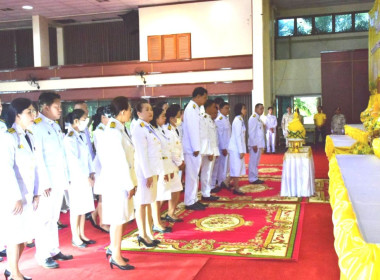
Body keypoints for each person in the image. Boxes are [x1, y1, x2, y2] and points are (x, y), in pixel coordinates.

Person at [32, 92, 73, 269]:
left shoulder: (55, 126)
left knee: (54, 217)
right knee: (44, 219)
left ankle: (53, 249)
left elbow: (61, 155)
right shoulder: (37, 126)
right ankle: (42, 255)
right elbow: (38, 157)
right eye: (57, 106)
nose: (60, 110)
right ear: (46, 107)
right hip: (47, 183)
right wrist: (44, 183)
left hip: (58, 179)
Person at [0, 98, 39, 280]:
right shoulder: (8, 136)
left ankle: (11, 269)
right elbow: (5, 169)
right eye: (29, 112)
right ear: (17, 115)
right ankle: (15, 274)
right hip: (13, 196)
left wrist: (37, 191)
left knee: (24, 236)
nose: (33, 115)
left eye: (33, 111)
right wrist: (15, 196)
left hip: (27, 194)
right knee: (15, 236)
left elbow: (34, 166)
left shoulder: (27, 135)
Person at [98, 96, 136, 270]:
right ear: (122, 111)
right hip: (117, 183)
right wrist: (129, 184)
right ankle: (115, 256)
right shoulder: (113, 130)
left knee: (122, 218)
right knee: (118, 220)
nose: (130, 113)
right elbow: (119, 161)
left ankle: (115, 250)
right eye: (129, 110)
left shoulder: (119, 128)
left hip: (120, 181)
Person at [131, 99, 162, 248]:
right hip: (144, 172)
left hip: (151, 170)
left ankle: (149, 233)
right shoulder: (138, 128)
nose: (150, 112)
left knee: (148, 202)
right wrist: (148, 174)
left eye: (151, 109)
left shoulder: (147, 126)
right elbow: (142, 154)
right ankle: (142, 234)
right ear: (138, 113)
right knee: (142, 204)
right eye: (146, 109)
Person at [64, 109, 96, 248]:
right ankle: (75, 237)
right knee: (76, 209)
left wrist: (91, 172)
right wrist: (85, 176)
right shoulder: (69, 138)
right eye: (84, 119)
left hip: (85, 176)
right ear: (76, 121)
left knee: (84, 207)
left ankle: (82, 234)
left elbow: (88, 156)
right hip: (76, 178)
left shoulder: (81, 135)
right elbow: (74, 161)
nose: (86, 121)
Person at [182, 87, 208, 210]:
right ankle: (189, 201)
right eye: (204, 97)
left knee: (194, 175)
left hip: (195, 148)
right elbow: (193, 130)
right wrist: (196, 148)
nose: (205, 100)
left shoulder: (196, 108)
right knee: (192, 176)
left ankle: (194, 199)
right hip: (192, 149)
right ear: (198, 96)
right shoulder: (191, 109)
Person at [150, 107, 174, 233]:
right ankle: (156, 222)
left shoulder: (160, 130)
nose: (165, 118)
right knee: (158, 196)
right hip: (159, 166)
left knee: (162, 195)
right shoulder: (153, 130)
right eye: (162, 116)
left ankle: (157, 220)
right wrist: (162, 171)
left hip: (165, 164)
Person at [90, 106, 111, 233]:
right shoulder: (100, 131)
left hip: (105, 165)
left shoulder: (106, 129)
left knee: (105, 194)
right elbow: (104, 152)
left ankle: (94, 215)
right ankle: (102, 222)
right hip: (102, 166)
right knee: (102, 196)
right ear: (103, 118)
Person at [163, 104, 185, 222]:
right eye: (178, 116)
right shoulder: (167, 130)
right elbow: (171, 149)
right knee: (166, 192)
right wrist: (179, 162)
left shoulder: (173, 129)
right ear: (171, 118)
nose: (179, 119)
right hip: (170, 164)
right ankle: (157, 217)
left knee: (176, 188)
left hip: (174, 164)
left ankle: (171, 213)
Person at [200, 99, 220, 201]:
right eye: (213, 107)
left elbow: (213, 138)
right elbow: (205, 137)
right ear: (207, 107)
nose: (215, 109)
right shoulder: (204, 119)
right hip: (208, 151)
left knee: (209, 173)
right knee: (206, 173)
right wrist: (209, 152)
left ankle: (207, 192)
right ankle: (205, 193)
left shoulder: (210, 119)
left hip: (212, 150)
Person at [211, 101, 231, 192]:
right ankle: (219, 182)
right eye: (226, 108)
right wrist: (223, 147)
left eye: (228, 108)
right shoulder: (219, 119)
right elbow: (219, 135)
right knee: (220, 166)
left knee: (225, 165)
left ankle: (223, 181)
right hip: (222, 147)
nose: (228, 110)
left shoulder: (225, 119)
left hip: (227, 146)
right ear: (221, 109)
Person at [228, 103, 247, 195]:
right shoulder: (237, 121)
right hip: (235, 148)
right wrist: (241, 150)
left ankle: (226, 182)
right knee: (236, 168)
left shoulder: (240, 120)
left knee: (237, 167)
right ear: (239, 110)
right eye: (243, 108)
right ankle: (236, 188)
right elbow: (238, 137)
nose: (245, 110)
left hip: (237, 147)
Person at [248, 104, 266, 185]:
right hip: (255, 144)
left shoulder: (258, 119)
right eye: (260, 108)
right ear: (255, 109)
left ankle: (255, 177)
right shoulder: (253, 118)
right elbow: (251, 132)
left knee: (256, 162)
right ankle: (252, 178)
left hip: (258, 144)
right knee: (253, 161)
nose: (262, 110)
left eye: (263, 109)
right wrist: (254, 144)